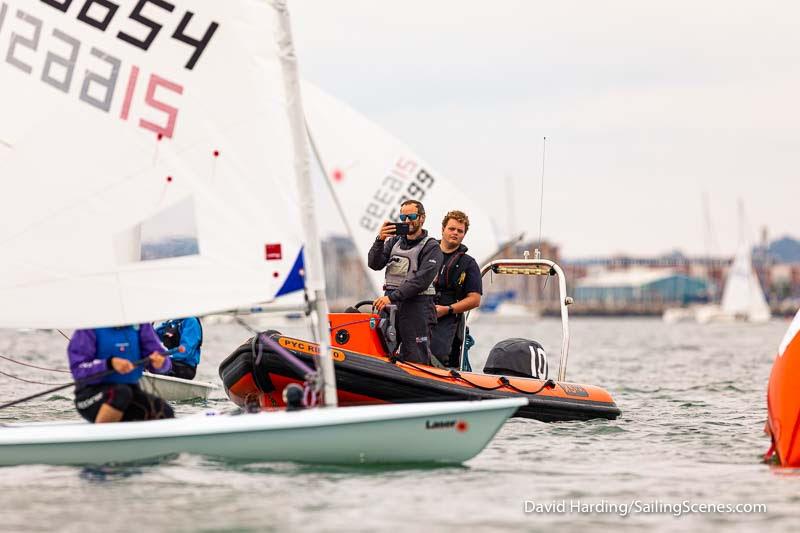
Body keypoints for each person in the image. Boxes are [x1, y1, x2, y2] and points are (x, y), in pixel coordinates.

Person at [369, 200, 443, 365]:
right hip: (391, 306)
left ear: (422, 218)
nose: (407, 221)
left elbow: (421, 282)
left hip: (417, 308)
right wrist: (379, 240)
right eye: (403, 217)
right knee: (382, 352)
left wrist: (392, 297)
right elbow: (374, 264)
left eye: (411, 216)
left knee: (415, 357)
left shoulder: (432, 247)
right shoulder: (393, 241)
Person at [68, 324, 174, 423]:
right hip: (89, 396)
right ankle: (100, 440)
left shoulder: (140, 325)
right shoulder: (89, 327)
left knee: (165, 412)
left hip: (130, 391)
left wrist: (161, 363)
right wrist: (109, 364)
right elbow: (78, 370)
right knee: (120, 393)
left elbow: (164, 361)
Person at [430, 210, 483, 367]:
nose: (455, 233)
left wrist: (447, 309)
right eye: (451, 229)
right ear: (443, 229)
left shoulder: (469, 264)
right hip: (420, 312)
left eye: (460, 231)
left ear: (464, 235)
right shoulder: (425, 253)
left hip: (448, 318)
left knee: (437, 357)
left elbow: (475, 299)